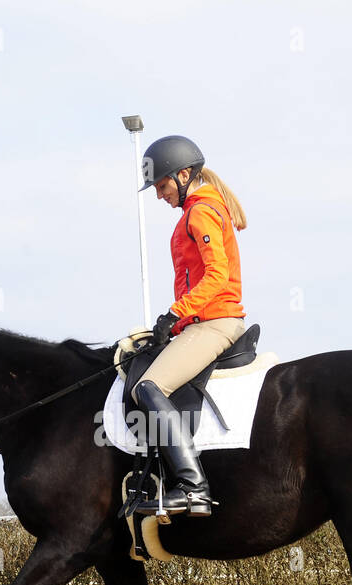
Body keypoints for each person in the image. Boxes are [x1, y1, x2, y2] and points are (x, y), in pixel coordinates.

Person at [132, 135, 249, 518]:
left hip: (214, 323)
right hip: (199, 322)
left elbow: (216, 275)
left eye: (162, 186)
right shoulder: (196, 211)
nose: (159, 195)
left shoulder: (200, 212)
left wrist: (175, 313)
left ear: (183, 175)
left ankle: (193, 488)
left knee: (148, 386)